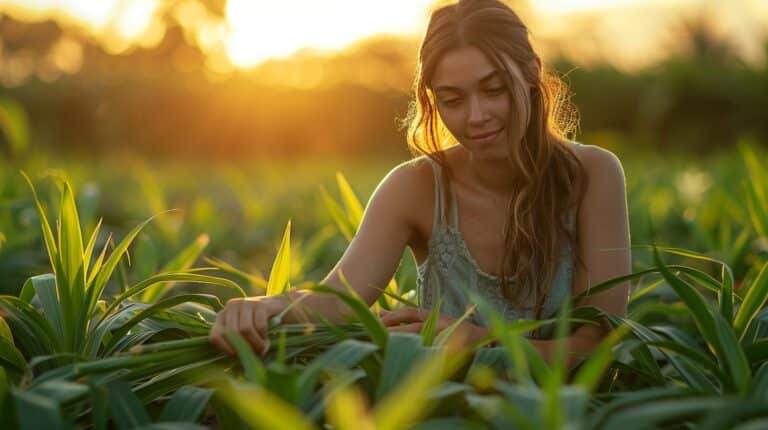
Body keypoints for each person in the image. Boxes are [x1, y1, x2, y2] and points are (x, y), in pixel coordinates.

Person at [209, 0, 630, 368]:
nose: (476, 115)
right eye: (453, 99)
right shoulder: (415, 187)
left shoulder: (593, 175)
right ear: (433, 100)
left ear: (533, 74)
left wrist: (471, 340)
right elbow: (339, 302)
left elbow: (594, 346)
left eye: (494, 89)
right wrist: (264, 306)